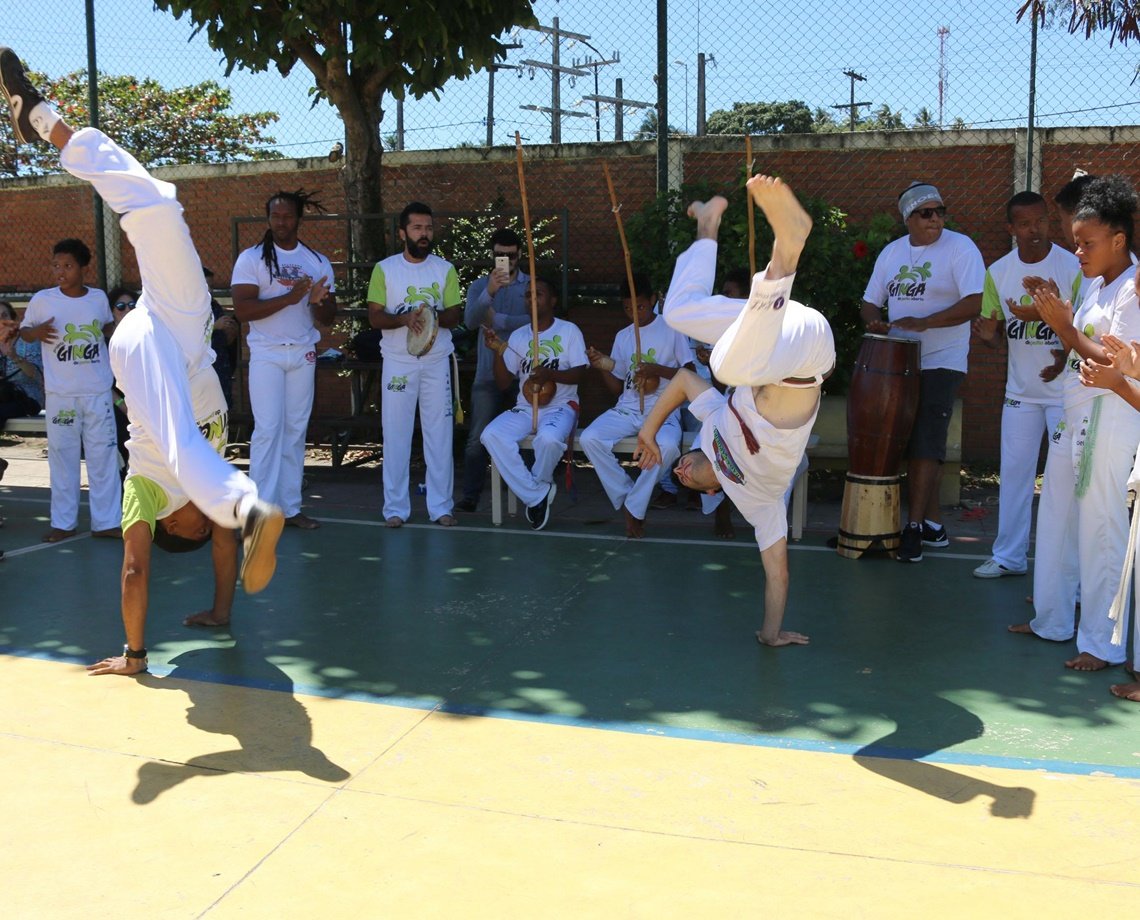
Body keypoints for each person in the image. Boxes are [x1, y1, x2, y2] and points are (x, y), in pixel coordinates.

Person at [0, 45, 284, 675]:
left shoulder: (144, 493)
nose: (205, 524)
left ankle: (249, 502)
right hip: (185, 328)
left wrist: (135, 655)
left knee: (177, 440)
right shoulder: (200, 502)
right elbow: (213, 547)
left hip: (145, 349)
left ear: (176, 526)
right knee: (155, 204)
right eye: (213, 522)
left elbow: (134, 569)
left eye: (205, 524)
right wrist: (220, 610)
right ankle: (44, 120)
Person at [635, 175, 835, 647]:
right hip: (807, 354)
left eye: (677, 471)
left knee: (679, 314)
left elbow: (683, 380)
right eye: (688, 481)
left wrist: (649, 431)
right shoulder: (758, 503)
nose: (681, 472)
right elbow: (778, 573)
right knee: (726, 363)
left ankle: (707, 225)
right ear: (712, 490)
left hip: (781, 322)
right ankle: (788, 247)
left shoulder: (709, 429)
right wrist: (771, 633)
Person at [1008, 175, 1140, 672]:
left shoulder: (1132, 288)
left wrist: (1063, 326)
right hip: (1074, 409)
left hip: (1110, 414)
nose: (1078, 252)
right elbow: (1079, 345)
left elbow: (1116, 363)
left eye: (1087, 244)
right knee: (1058, 515)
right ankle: (1053, 619)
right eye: (1076, 243)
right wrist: (1054, 313)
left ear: (1119, 240)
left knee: (1100, 522)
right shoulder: (1099, 283)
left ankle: (1103, 643)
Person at [861, 182, 985, 562]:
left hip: (941, 361)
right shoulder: (891, 253)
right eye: (926, 213)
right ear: (908, 219)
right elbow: (869, 303)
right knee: (907, 442)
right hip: (896, 363)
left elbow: (974, 303)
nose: (936, 219)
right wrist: (877, 324)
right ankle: (932, 526)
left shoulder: (960, 247)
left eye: (940, 211)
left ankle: (912, 529)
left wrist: (926, 322)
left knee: (926, 441)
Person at [971, 192, 1079, 578]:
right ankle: (1008, 557)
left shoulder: (1072, 266)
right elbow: (996, 334)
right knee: (1015, 476)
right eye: (1025, 224)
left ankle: (1068, 568)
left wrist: (1064, 357)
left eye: (1042, 221)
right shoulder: (998, 273)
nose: (1035, 230)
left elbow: (1084, 330)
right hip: (1020, 395)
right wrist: (988, 336)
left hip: (1066, 395)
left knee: (1064, 484)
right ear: (1011, 229)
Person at [232, 190, 336, 530]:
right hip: (266, 354)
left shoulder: (316, 261)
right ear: (268, 219)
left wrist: (318, 300)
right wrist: (291, 296)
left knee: (295, 430)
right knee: (268, 429)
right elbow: (245, 310)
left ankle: (290, 509)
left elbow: (329, 317)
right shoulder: (251, 259)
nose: (281, 221)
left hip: (303, 353)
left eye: (287, 216)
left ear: (298, 219)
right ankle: (259, 511)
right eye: (275, 216)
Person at [18, 237, 122, 542]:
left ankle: (107, 522)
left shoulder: (98, 298)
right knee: (62, 458)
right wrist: (33, 332)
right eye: (56, 265)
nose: (60, 271)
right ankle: (63, 523)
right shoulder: (43, 300)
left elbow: (106, 327)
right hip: (61, 395)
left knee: (103, 456)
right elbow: (25, 333)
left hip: (97, 392)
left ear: (83, 268)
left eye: (67, 266)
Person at [366, 202, 463, 527]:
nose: (425, 234)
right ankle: (395, 509)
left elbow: (455, 313)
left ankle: (441, 507)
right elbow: (375, 316)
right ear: (402, 233)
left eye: (429, 228)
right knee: (396, 434)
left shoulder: (444, 269)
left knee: (439, 434)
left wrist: (430, 316)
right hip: (398, 362)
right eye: (418, 228)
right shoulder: (385, 269)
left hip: (436, 362)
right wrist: (404, 319)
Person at [580, 273, 694, 537]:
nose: (634, 313)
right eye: (627, 308)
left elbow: (689, 373)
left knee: (666, 446)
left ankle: (633, 507)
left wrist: (656, 369)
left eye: (640, 306)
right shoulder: (623, 336)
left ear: (653, 300)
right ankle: (630, 498)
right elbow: (617, 386)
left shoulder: (671, 329)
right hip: (628, 408)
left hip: (664, 410)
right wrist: (602, 367)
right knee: (590, 438)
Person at [480, 277, 588, 530]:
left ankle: (535, 491)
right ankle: (536, 494)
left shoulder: (568, 331)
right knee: (491, 435)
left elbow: (581, 373)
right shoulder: (518, 337)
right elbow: (504, 382)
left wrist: (551, 375)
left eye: (538, 294)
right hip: (526, 407)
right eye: (528, 295)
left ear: (552, 300)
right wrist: (498, 350)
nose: (531, 299)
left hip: (562, 405)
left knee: (548, 440)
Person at [458, 228, 531, 512]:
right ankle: (470, 496)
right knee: (477, 438)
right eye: (500, 255)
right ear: (492, 254)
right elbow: (471, 320)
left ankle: (527, 494)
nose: (505, 260)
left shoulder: (530, 285)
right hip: (488, 374)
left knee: (525, 439)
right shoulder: (480, 285)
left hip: (523, 375)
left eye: (510, 255)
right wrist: (490, 292)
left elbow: (535, 321)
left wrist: (498, 319)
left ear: (519, 255)